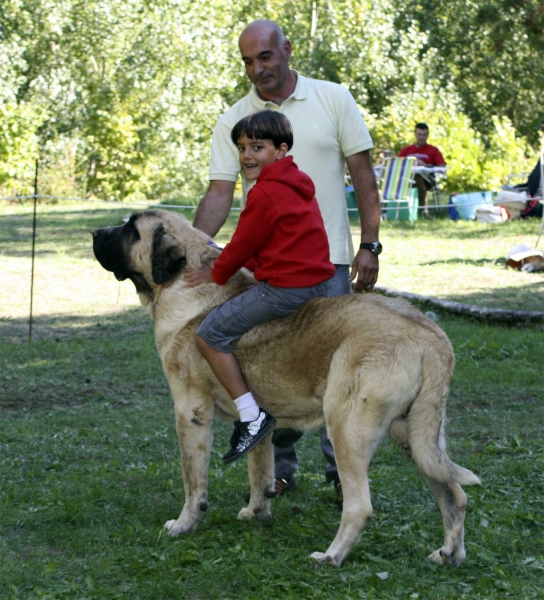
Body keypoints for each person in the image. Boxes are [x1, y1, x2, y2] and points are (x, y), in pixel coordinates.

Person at [193, 20, 381, 500]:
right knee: (275, 367)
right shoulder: (236, 118)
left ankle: (342, 476)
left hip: (332, 262)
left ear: (287, 50)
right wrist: (195, 248)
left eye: (266, 57)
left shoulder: (333, 97)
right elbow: (220, 192)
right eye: (248, 62)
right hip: (266, 272)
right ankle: (279, 470)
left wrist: (370, 243)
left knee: (331, 373)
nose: (259, 70)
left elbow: (362, 171)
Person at [185, 109, 335, 463]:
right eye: (242, 148)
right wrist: (234, 259)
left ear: (281, 150)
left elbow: (241, 245)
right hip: (319, 284)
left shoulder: (264, 193)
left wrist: (215, 273)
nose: (247, 156)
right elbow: (273, 245)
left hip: (286, 290)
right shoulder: (297, 183)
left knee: (209, 334)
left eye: (258, 147)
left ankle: (251, 415)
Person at [399, 123, 446, 217]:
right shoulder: (407, 150)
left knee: (418, 178)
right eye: (419, 134)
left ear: (427, 135)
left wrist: (425, 165)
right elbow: (398, 163)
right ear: (415, 134)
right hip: (406, 177)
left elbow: (442, 166)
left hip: (427, 179)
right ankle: (389, 210)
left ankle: (424, 210)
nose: (421, 137)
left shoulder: (433, 150)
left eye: (424, 135)